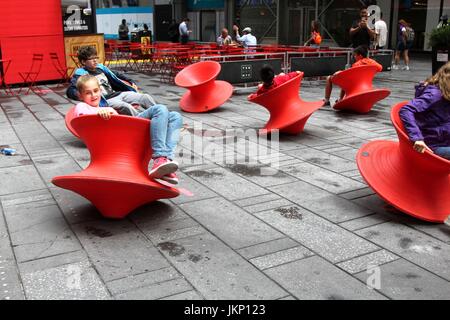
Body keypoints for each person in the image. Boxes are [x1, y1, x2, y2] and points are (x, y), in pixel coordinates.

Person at [74, 74, 183, 183]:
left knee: (175, 117)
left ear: (100, 91)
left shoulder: (106, 107)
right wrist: (100, 112)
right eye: (88, 93)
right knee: (160, 109)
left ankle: (165, 162)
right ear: (80, 96)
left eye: (96, 91)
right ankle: (159, 158)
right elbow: (82, 118)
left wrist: (108, 111)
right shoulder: (83, 106)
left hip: (128, 130)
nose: (93, 95)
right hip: (127, 136)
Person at [67, 46, 156, 116]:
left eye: (96, 57)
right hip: (106, 100)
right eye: (91, 58)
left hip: (118, 94)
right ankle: (142, 121)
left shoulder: (101, 68)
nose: (95, 60)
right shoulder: (81, 75)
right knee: (126, 107)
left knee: (145, 97)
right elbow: (71, 90)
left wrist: (131, 82)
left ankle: (159, 116)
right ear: (83, 62)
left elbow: (117, 75)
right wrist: (79, 94)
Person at [399, 62, 450, 160]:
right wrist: (417, 138)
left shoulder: (446, 94)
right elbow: (406, 110)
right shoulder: (435, 94)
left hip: (445, 140)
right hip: (433, 145)